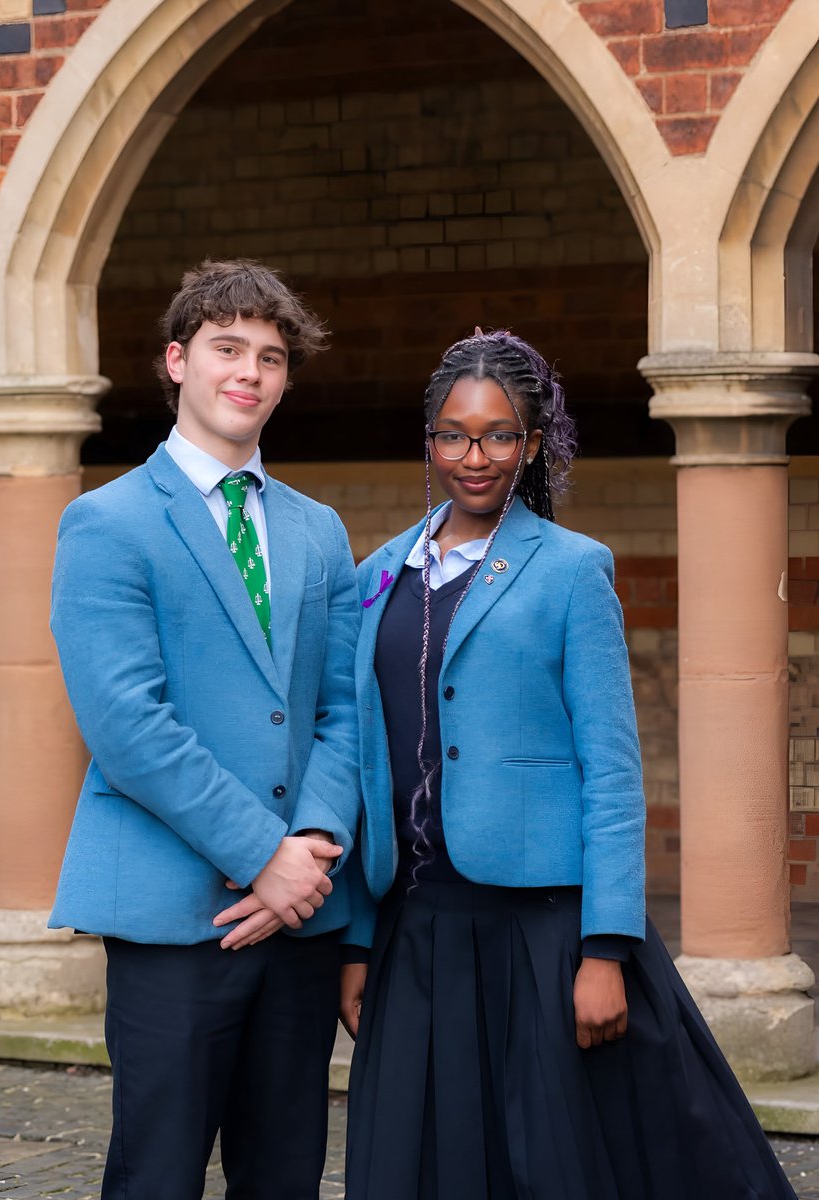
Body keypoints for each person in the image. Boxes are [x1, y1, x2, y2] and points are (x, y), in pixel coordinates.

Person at [340, 328, 797, 1200]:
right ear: (429, 439)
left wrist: (605, 952)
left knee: (548, 1165)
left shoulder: (572, 571)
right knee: (415, 1166)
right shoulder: (378, 575)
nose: (474, 457)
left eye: (499, 435)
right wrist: (358, 944)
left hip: (541, 934)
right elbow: (370, 771)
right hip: (415, 928)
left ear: (533, 444)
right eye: (453, 434)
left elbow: (613, 774)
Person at [48, 259, 362, 1200]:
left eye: (271, 357)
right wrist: (260, 852)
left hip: (301, 916)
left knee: (285, 1177)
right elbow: (127, 725)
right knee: (158, 1174)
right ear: (177, 360)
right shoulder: (105, 524)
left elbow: (341, 709)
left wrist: (307, 849)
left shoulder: (318, 531)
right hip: (172, 913)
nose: (250, 373)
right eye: (228, 349)